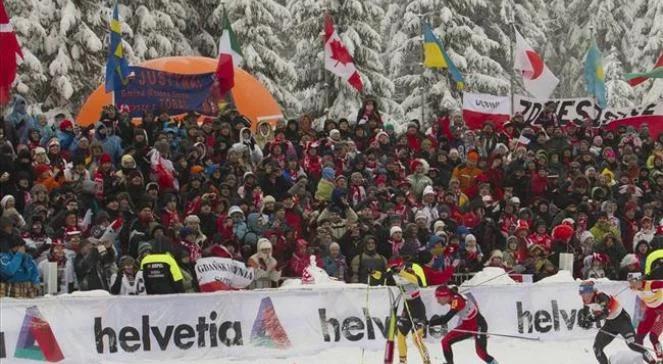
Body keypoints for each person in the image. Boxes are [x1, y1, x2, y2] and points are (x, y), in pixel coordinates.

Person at [578, 281, 655, 364]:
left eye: (586, 294)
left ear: (592, 292)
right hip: (610, 324)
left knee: (632, 344)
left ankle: (652, 361)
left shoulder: (601, 297)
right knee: (597, 348)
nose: (584, 297)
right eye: (582, 294)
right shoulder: (585, 300)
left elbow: (605, 313)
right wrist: (584, 322)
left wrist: (592, 319)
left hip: (622, 320)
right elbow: (585, 314)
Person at [429, 285, 497, 364]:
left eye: (438, 298)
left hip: (478, 325)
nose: (438, 301)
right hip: (468, 325)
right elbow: (453, 290)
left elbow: (445, 319)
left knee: (482, 354)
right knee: (445, 341)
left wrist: (428, 323)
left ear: (446, 296)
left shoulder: (456, 301)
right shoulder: (451, 295)